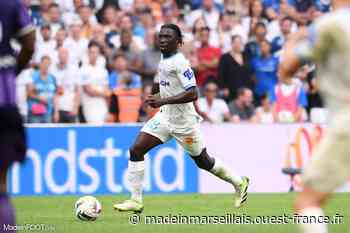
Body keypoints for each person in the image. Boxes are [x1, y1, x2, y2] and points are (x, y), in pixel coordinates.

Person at [113, 24, 249, 213]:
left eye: (167, 37)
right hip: (165, 117)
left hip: (184, 123)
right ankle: (136, 200)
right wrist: (154, 95)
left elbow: (193, 93)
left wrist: (163, 100)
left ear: (179, 42)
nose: (162, 39)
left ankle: (239, 181)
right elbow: (161, 81)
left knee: (204, 162)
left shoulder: (180, 62)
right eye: (161, 36)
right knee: (136, 150)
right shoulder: (164, 58)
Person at [278, 1, 350, 232]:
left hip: (346, 120)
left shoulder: (329, 25)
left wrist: (292, 40)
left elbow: (287, 69)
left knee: (307, 202)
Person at [0, 0, 35, 230]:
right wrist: (12, 71)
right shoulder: (11, 5)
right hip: (5, 106)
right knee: (1, 184)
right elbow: (30, 44)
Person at [27, 56, 58, 123]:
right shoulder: (33, 76)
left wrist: (56, 112)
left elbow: (55, 96)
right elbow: (29, 93)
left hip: (48, 112)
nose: (46, 65)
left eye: (48, 64)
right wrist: (40, 98)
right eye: (44, 63)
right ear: (40, 64)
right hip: (35, 112)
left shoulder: (52, 78)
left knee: (47, 133)